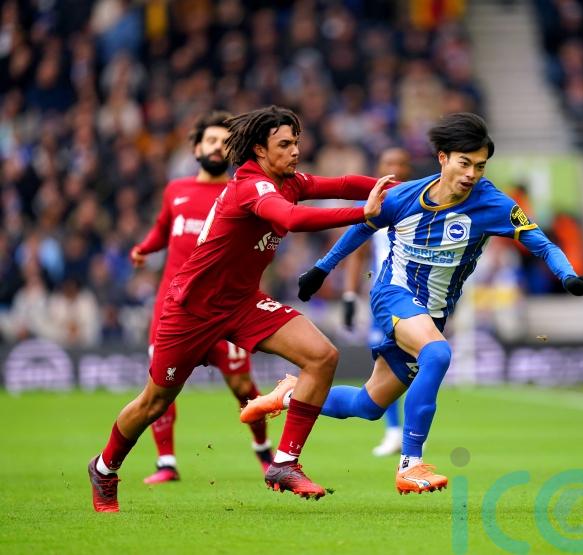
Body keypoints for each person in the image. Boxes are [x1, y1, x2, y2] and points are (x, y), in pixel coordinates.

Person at [241, 113, 583, 494]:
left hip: (433, 313)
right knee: (438, 355)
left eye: (479, 166)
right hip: (393, 294)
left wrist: (568, 276)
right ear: (443, 158)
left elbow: (541, 242)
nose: (471, 174)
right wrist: (321, 269)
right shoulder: (403, 196)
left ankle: (289, 392)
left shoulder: (493, 204)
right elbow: (361, 227)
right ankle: (410, 464)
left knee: (367, 405)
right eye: (464, 163)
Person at [87, 106, 392, 511]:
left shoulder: (288, 180)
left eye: (296, 142)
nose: (295, 150)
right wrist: (366, 215)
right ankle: (105, 468)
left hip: (243, 303)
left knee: (322, 356)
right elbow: (294, 219)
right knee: (154, 402)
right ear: (260, 151)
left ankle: (284, 463)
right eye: (285, 144)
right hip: (192, 310)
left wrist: (415, 189)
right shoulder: (251, 186)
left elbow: (344, 182)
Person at [129, 111, 274, 484]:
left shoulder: (239, 193)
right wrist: (144, 248)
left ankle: (264, 453)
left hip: (223, 307)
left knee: (242, 386)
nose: (216, 147)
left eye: (225, 142)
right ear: (196, 148)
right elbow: (164, 230)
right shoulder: (175, 191)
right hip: (173, 308)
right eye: (210, 140)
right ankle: (166, 463)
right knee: (159, 389)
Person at [341, 147, 413, 457]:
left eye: (400, 163)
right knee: (387, 363)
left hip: (420, 295)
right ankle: (395, 430)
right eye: (388, 163)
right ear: (379, 168)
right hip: (384, 296)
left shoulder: (422, 200)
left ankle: (406, 433)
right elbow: (356, 253)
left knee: (417, 365)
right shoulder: (370, 204)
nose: (394, 168)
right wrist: (349, 295)